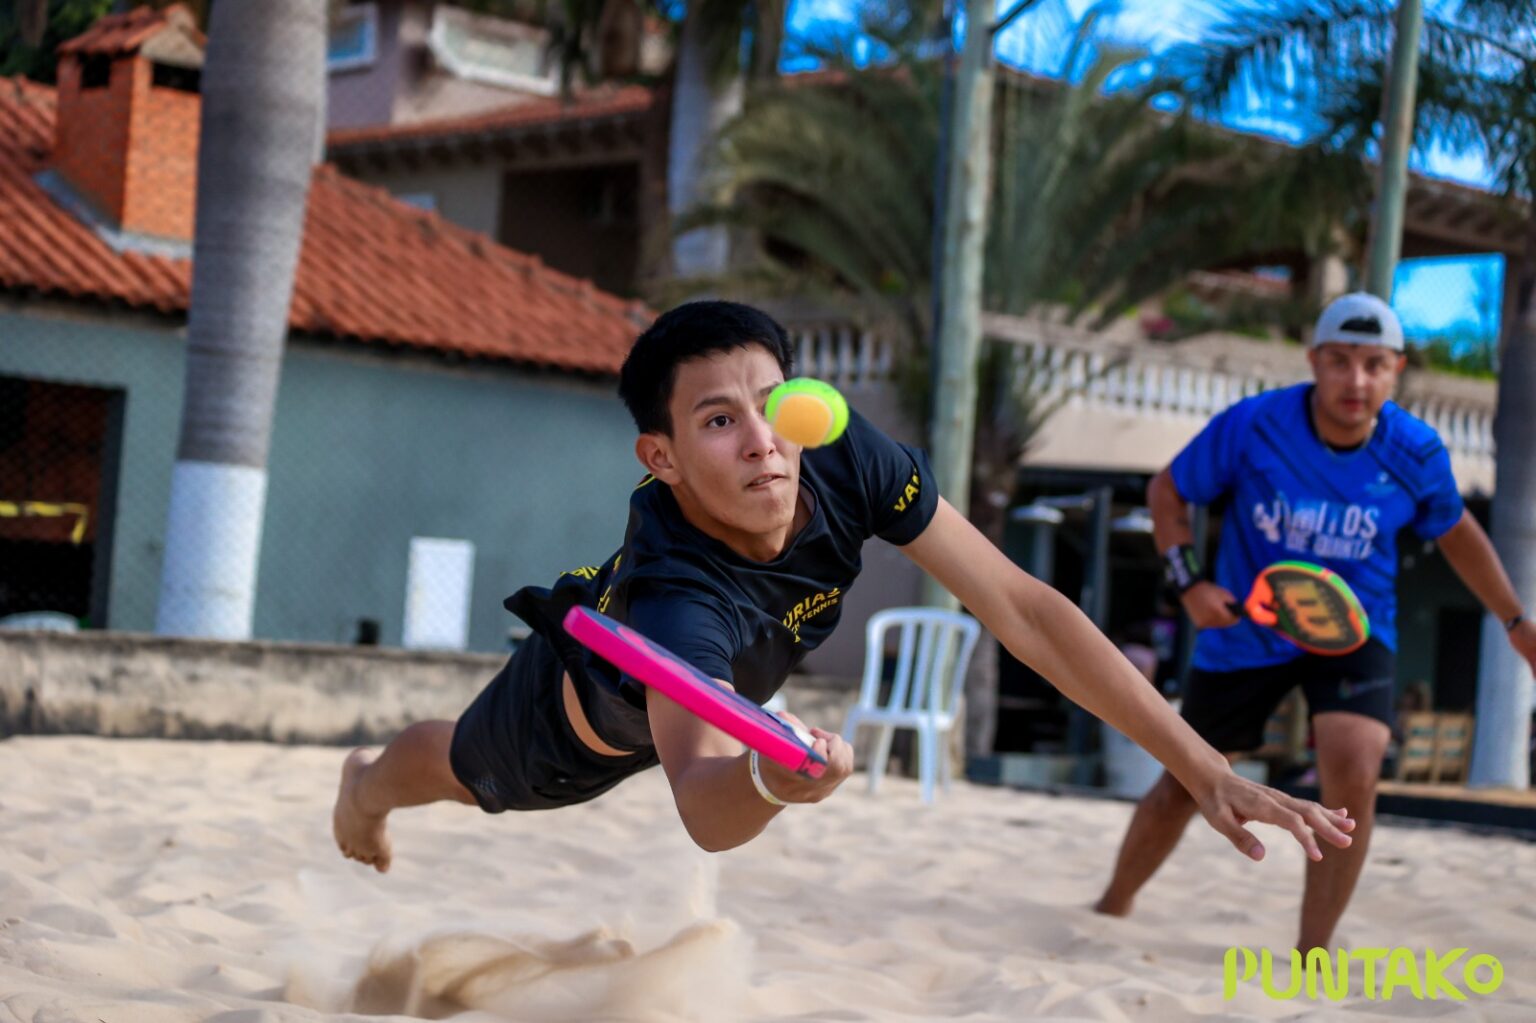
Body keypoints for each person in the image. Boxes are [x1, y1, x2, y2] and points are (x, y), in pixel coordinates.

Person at [333, 300, 1354, 873]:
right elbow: (702, 806)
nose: (762, 439)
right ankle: (363, 791)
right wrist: (776, 783)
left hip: (735, 681)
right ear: (664, 455)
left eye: (771, 402)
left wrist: (1201, 762)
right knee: (466, 770)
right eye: (718, 420)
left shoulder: (844, 456)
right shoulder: (675, 598)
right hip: (589, 715)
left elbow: (1026, 609)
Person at [1093, 292, 1536, 951]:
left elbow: (1458, 532)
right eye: (1340, 361)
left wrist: (1516, 621)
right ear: (1314, 362)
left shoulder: (1414, 451)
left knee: (1355, 770)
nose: (1356, 380)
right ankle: (1109, 907)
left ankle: (1313, 952)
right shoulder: (1254, 426)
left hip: (1355, 632)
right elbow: (1167, 491)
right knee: (1182, 784)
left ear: (1396, 369)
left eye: (1373, 364)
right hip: (1249, 629)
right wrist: (1189, 585)